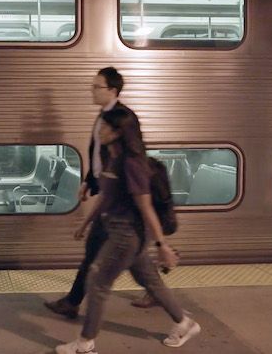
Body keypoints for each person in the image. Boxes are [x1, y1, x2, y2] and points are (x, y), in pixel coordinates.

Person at [55, 108, 201, 354]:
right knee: (150, 281)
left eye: (104, 127)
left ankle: (84, 345)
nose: (99, 131)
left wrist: (162, 245)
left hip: (127, 233)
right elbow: (106, 198)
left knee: (97, 281)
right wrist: (85, 223)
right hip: (116, 229)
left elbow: (145, 206)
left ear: (117, 132)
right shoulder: (112, 158)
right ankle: (184, 323)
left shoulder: (131, 164)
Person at [44, 67, 157, 320]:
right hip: (107, 192)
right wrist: (90, 181)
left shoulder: (124, 118)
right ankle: (156, 292)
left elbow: (133, 156)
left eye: (97, 87)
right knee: (124, 253)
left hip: (119, 199)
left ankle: (74, 305)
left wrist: (123, 193)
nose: (92, 91)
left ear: (112, 90)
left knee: (102, 250)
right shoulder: (103, 115)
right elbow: (99, 155)